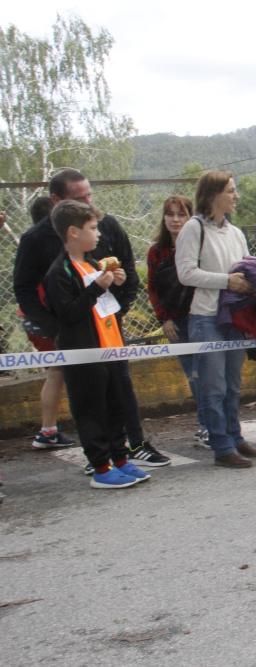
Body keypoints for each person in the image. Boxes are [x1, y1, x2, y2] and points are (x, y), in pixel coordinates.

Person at [43, 200, 151, 488]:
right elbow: (68, 313)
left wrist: (117, 281)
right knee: (91, 409)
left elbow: (107, 305)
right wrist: (96, 288)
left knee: (115, 406)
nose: (99, 234)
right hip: (84, 352)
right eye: (93, 228)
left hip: (111, 346)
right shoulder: (59, 271)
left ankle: (121, 458)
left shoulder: (93, 263)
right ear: (73, 233)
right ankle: (100, 467)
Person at [176, 170, 256, 468]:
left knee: (232, 384)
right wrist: (227, 281)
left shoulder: (236, 233)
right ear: (213, 194)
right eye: (230, 190)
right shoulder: (193, 229)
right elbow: (186, 273)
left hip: (233, 318)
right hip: (205, 318)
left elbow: (247, 266)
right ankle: (221, 445)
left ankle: (235, 436)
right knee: (212, 386)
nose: (235, 195)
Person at [12, 173, 85, 450]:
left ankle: (49, 429)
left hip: (44, 319)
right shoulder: (37, 243)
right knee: (58, 370)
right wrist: (51, 326)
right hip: (45, 321)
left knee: (58, 371)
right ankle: (48, 429)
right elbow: (25, 288)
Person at [147, 195, 208, 447]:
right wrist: (165, 319)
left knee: (209, 374)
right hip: (177, 321)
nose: (175, 220)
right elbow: (152, 288)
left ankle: (215, 424)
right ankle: (205, 426)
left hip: (203, 316)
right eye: (170, 214)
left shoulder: (201, 246)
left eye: (181, 214)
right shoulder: (157, 252)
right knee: (194, 375)